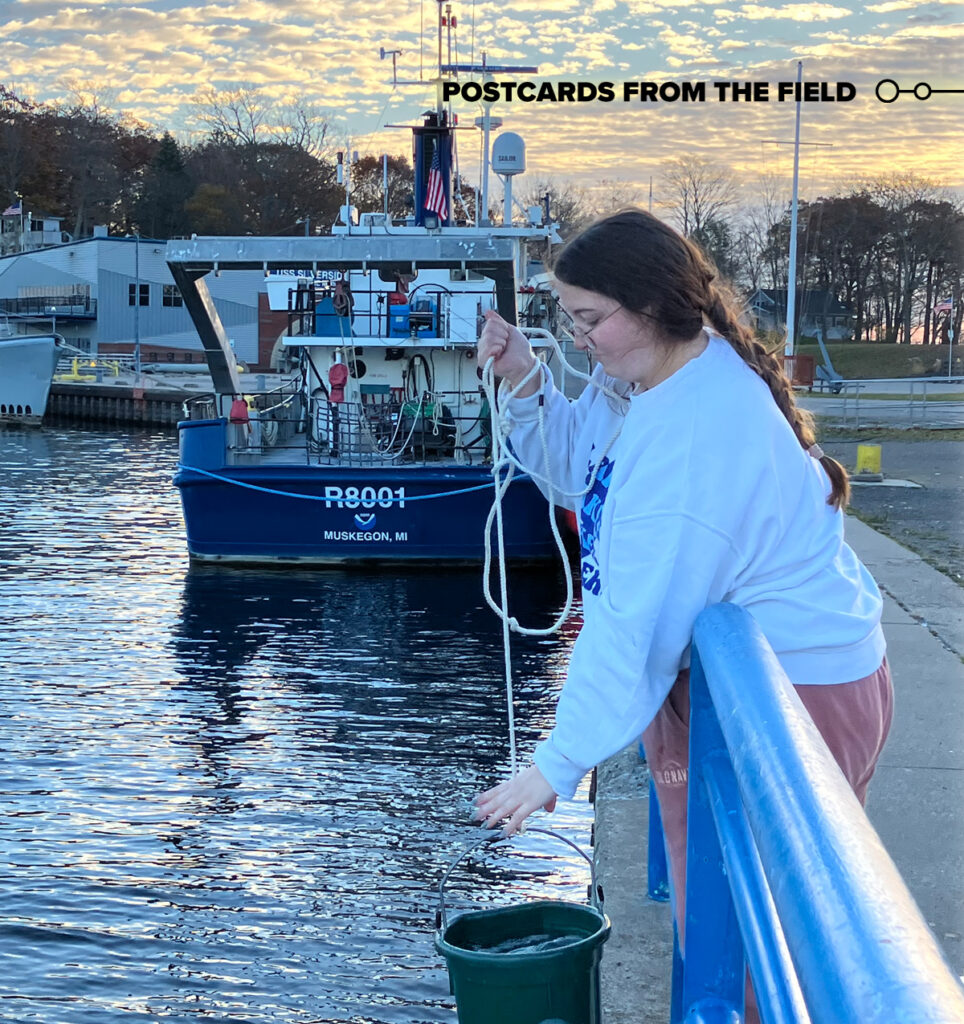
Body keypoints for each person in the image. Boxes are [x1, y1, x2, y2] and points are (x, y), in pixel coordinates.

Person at [473, 208, 893, 954]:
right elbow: (584, 473)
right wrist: (527, 379)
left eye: (590, 318)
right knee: (738, 927)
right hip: (767, 682)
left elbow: (638, 613)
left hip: (791, 701)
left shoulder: (695, 432)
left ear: (651, 305)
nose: (577, 337)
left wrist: (557, 762)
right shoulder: (660, 378)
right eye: (569, 318)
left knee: (764, 948)